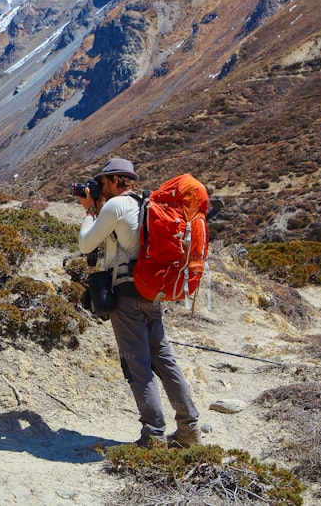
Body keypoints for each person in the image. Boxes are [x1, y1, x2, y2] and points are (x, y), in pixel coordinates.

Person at [77, 157, 200, 448]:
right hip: (152, 292)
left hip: (126, 296)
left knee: (138, 366)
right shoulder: (145, 203)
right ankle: (189, 429)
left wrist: (88, 213)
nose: (100, 186)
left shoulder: (115, 205)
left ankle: (153, 436)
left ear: (117, 180)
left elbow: (85, 244)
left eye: (103, 181)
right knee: (164, 360)